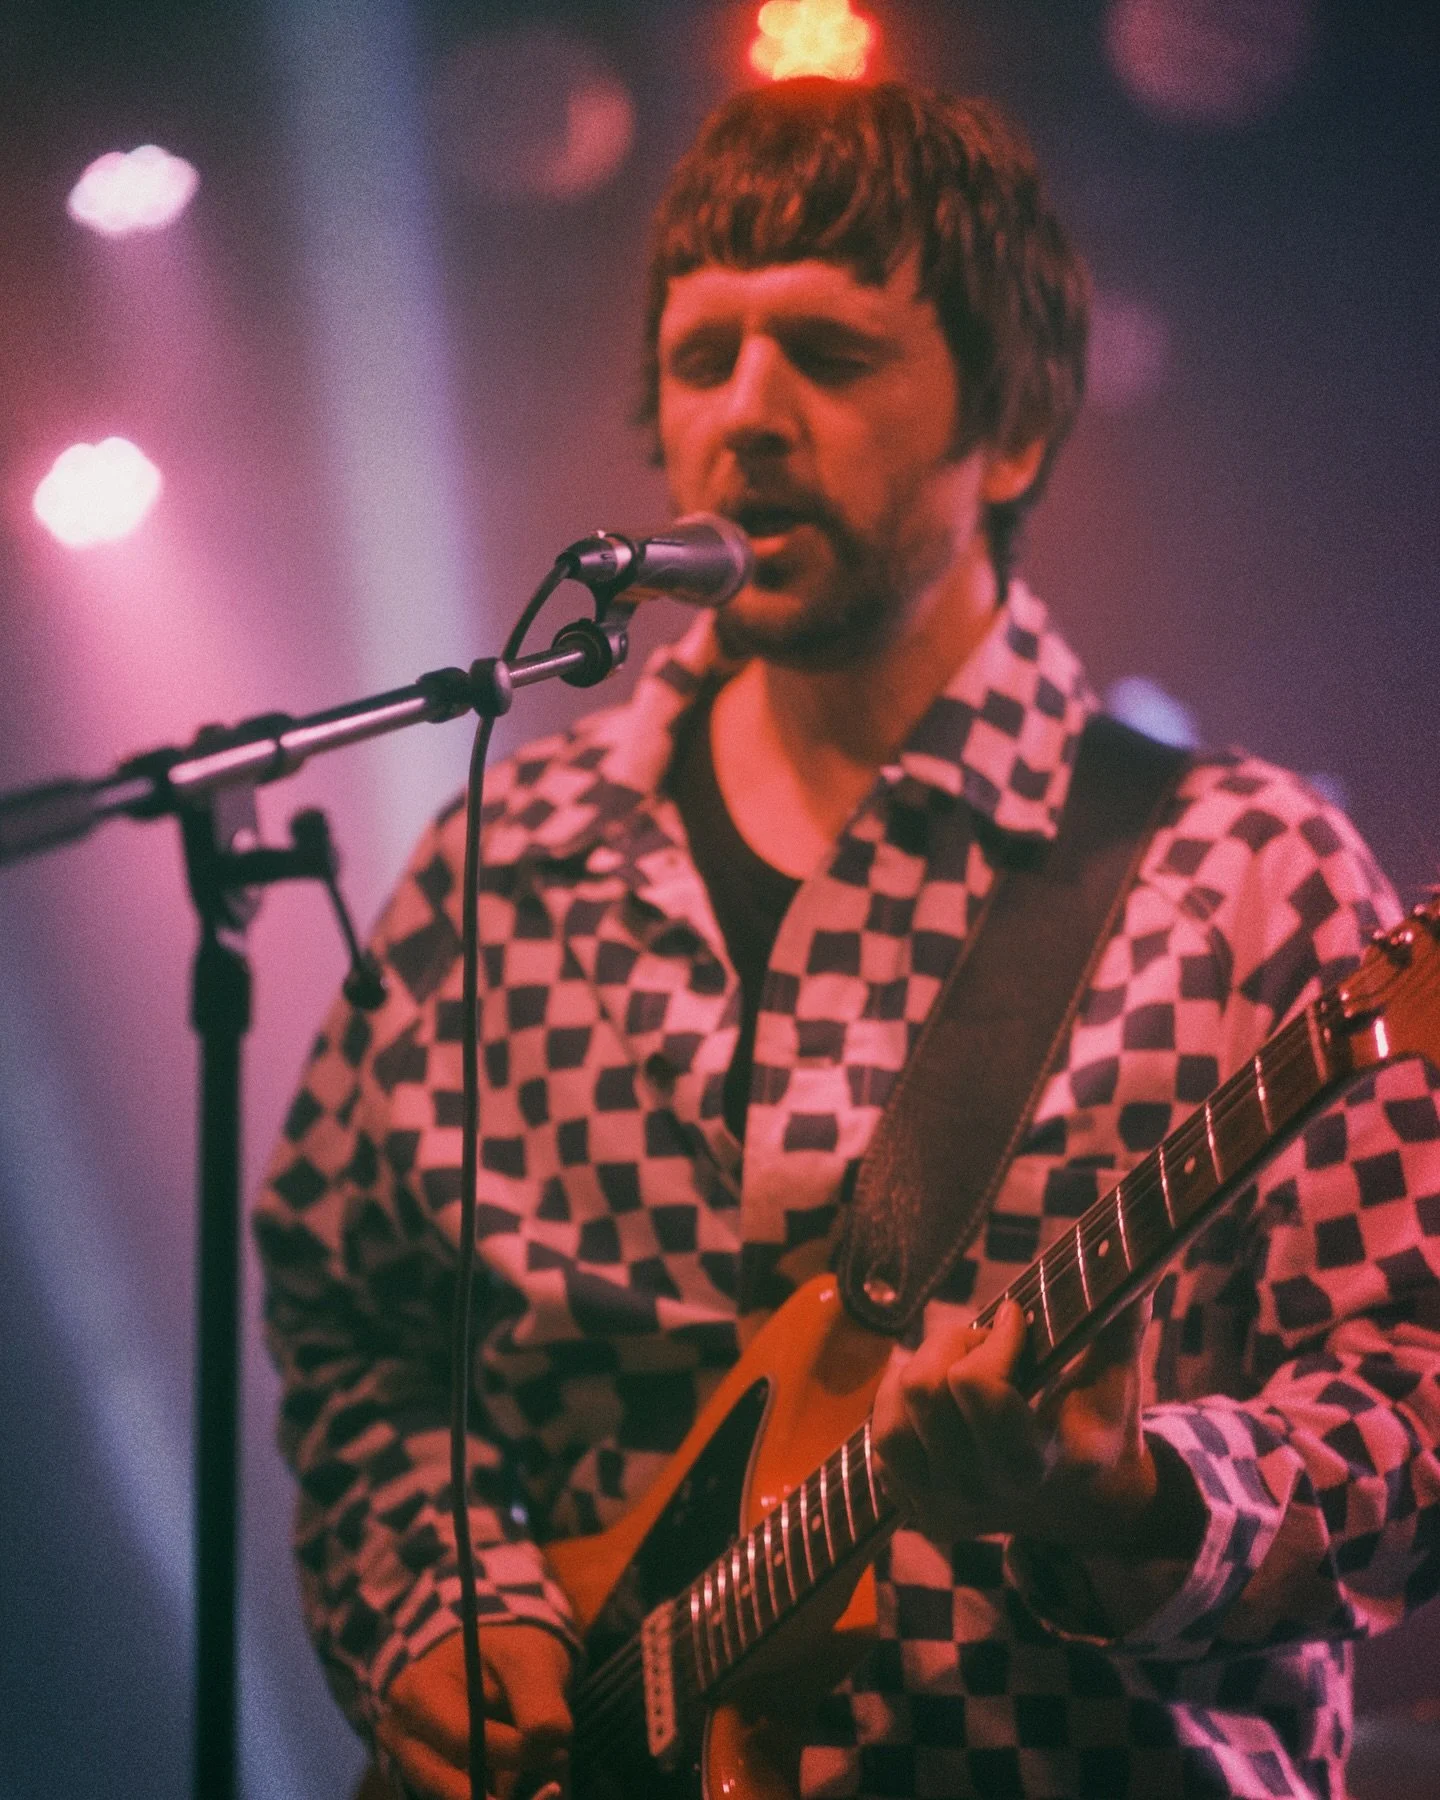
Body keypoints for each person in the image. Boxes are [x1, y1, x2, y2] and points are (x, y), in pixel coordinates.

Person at [255, 78, 1440, 1800]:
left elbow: (1413, 1395)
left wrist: (1129, 1495)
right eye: (702, 358)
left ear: (1010, 431)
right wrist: (444, 1603)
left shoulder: (1245, 878)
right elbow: (351, 1323)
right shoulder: (500, 873)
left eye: (828, 353)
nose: (746, 414)